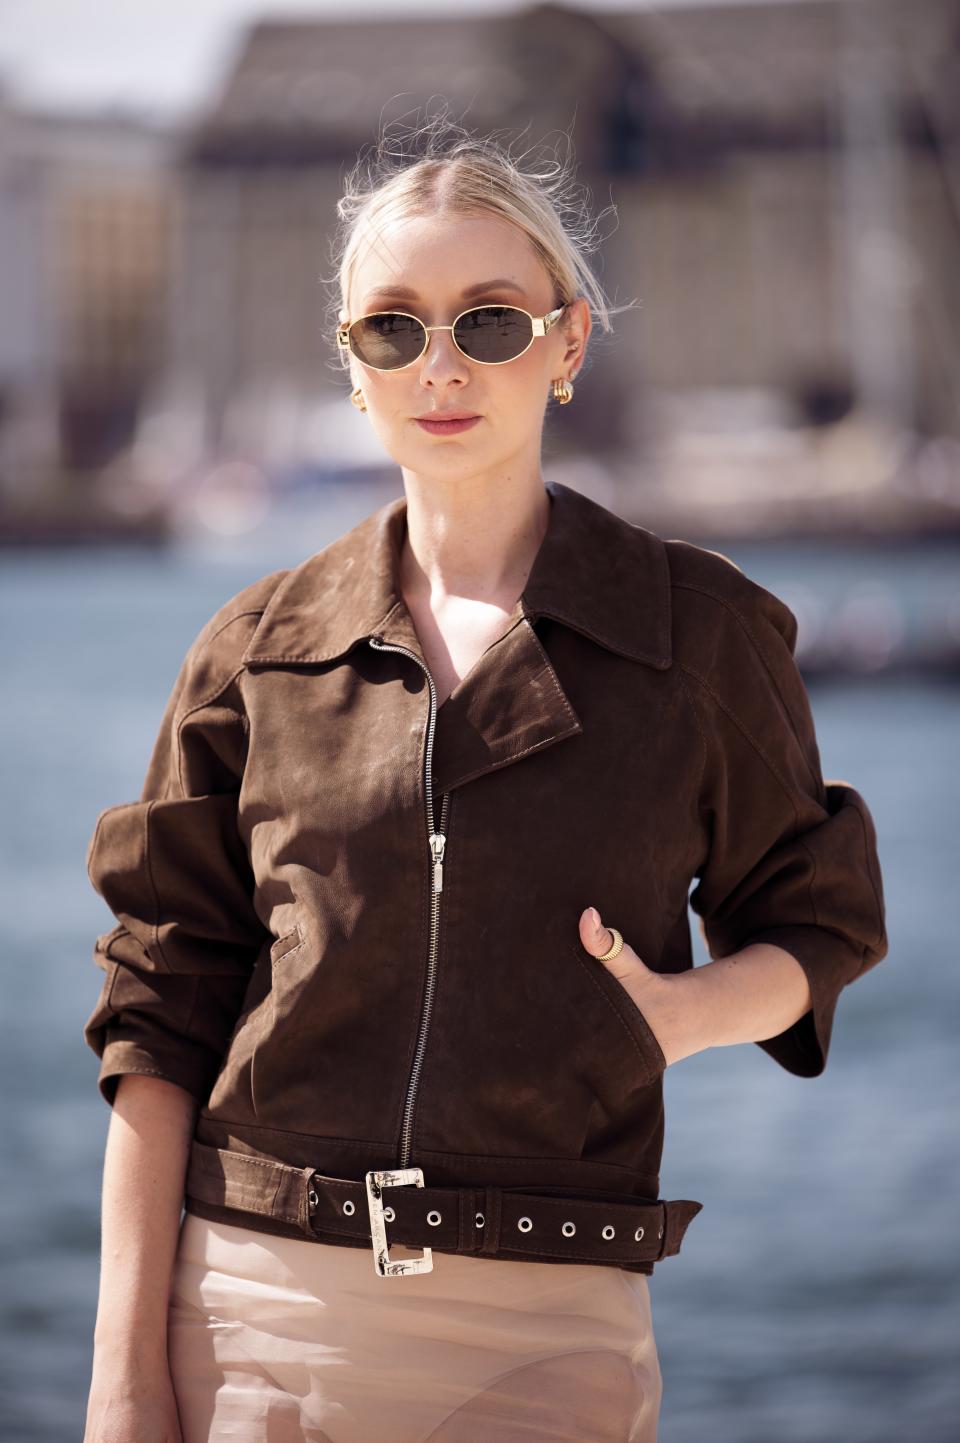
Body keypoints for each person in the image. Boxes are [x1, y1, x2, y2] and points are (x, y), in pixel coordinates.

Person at [82, 115, 888, 1443]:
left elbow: (819, 918)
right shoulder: (255, 653)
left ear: (568, 343)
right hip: (256, 1310)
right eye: (391, 328)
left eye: (489, 322)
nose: (439, 363)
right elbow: (160, 1013)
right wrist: (125, 1385)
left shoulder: (696, 633)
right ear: (352, 364)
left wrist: (681, 1016)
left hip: (550, 1328)